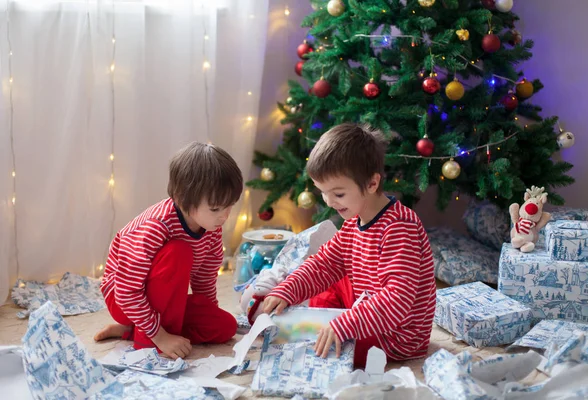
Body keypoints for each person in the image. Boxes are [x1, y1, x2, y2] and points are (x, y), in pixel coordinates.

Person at [263, 123, 436, 368]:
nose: (329, 202)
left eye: (339, 194)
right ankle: (328, 323)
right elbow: (324, 264)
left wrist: (345, 324)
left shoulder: (399, 227)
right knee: (327, 278)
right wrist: (287, 289)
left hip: (394, 336)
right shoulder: (354, 221)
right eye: (322, 192)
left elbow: (396, 301)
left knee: (320, 350)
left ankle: (332, 327)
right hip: (366, 303)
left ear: (372, 184)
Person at [94, 142, 243, 360]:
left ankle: (133, 331)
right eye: (215, 209)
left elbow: (204, 280)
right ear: (183, 199)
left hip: (168, 301)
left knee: (225, 327)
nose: (225, 216)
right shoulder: (155, 226)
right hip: (126, 299)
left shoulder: (212, 226)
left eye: (230, 206)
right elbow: (126, 292)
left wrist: (208, 313)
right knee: (178, 252)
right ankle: (147, 338)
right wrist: (161, 337)